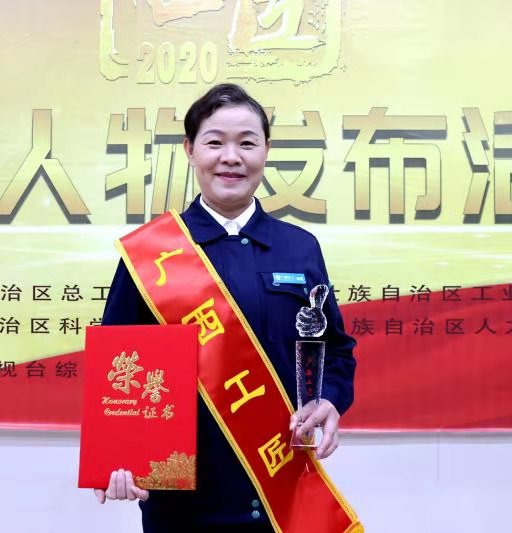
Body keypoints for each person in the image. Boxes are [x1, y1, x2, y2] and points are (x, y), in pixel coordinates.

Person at [95, 83, 357, 532]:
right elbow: (119, 369)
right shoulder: (151, 255)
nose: (231, 157)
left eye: (247, 143)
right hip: (182, 504)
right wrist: (119, 456)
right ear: (190, 151)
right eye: (215, 142)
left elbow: (335, 348)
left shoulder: (299, 248)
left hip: (280, 493)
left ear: (266, 151)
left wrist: (330, 398)